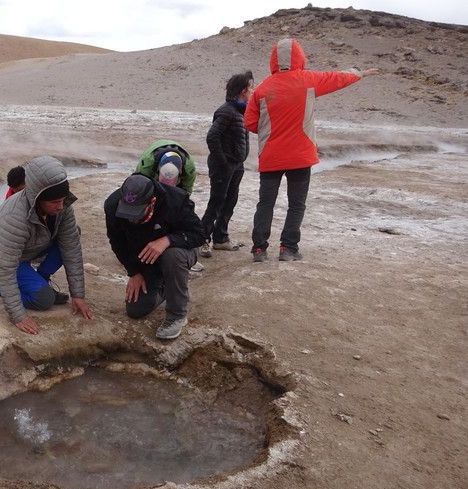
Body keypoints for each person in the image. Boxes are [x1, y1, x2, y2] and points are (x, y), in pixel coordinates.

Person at [245, 37, 378, 262]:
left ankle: (259, 249)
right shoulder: (308, 80)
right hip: (300, 156)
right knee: (296, 204)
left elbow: (249, 123)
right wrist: (359, 73)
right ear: (299, 57)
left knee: (265, 203)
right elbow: (336, 78)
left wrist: (271, 130)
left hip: (271, 156)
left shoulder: (262, 88)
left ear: (274, 60)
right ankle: (288, 249)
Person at [0, 155, 93, 334]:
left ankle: (41, 280)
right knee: (44, 300)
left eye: (62, 200)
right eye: (54, 202)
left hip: (31, 247)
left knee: (73, 234)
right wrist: (18, 316)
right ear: (36, 197)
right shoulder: (14, 217)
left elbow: (71, 249)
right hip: (3, 258)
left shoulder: (63, 206)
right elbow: (6, 267)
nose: (61, 206)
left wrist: (78, 296)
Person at [104, 173, 205, 340]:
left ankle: (176, 315)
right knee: (136, 309)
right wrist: (134, 272)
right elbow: (117, 242)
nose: (131, 219)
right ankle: (167, 287)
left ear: (152, 202)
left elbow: (200, 235)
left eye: (136, 213)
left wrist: (168, 240)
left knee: (172, 256)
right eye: (127, 213)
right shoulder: (113, 205)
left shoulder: (176, 200)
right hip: (146, 259)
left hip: (179, 251)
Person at [200, 71, 254, 258]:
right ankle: (201, 239)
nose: (252, 91)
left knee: (230, 201)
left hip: (236, 165)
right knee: (216, 202)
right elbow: (212, 136)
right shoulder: (226, 111)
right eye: (250, 88)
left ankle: (221, 238)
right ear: (242, 91)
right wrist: (223, 161)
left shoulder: (240, 111)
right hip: (224, 166)